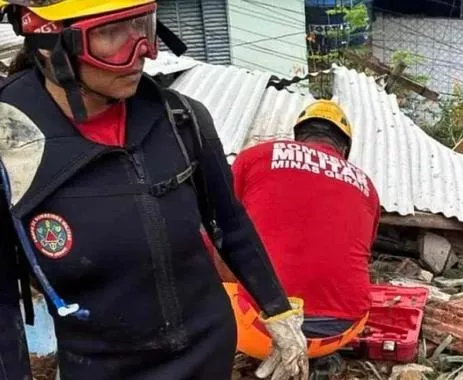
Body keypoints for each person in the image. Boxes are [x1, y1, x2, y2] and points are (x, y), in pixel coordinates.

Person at [0, 1, 308, 379]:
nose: (139, 52)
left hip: (207, 352)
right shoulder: (8, 147)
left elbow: (231, 223)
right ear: (51, 44)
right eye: (111, 33)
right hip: (100, 367)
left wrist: (278, 311)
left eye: (142, 26)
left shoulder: (181, 120)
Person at [228, 100, 380, 350]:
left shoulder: (257, 156)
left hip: (260, 329)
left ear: (298, 137)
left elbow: (219, 225)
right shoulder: (367, 186)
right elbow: (365, 254)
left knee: (214, 245)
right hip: (340, 331)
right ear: (343, 149)